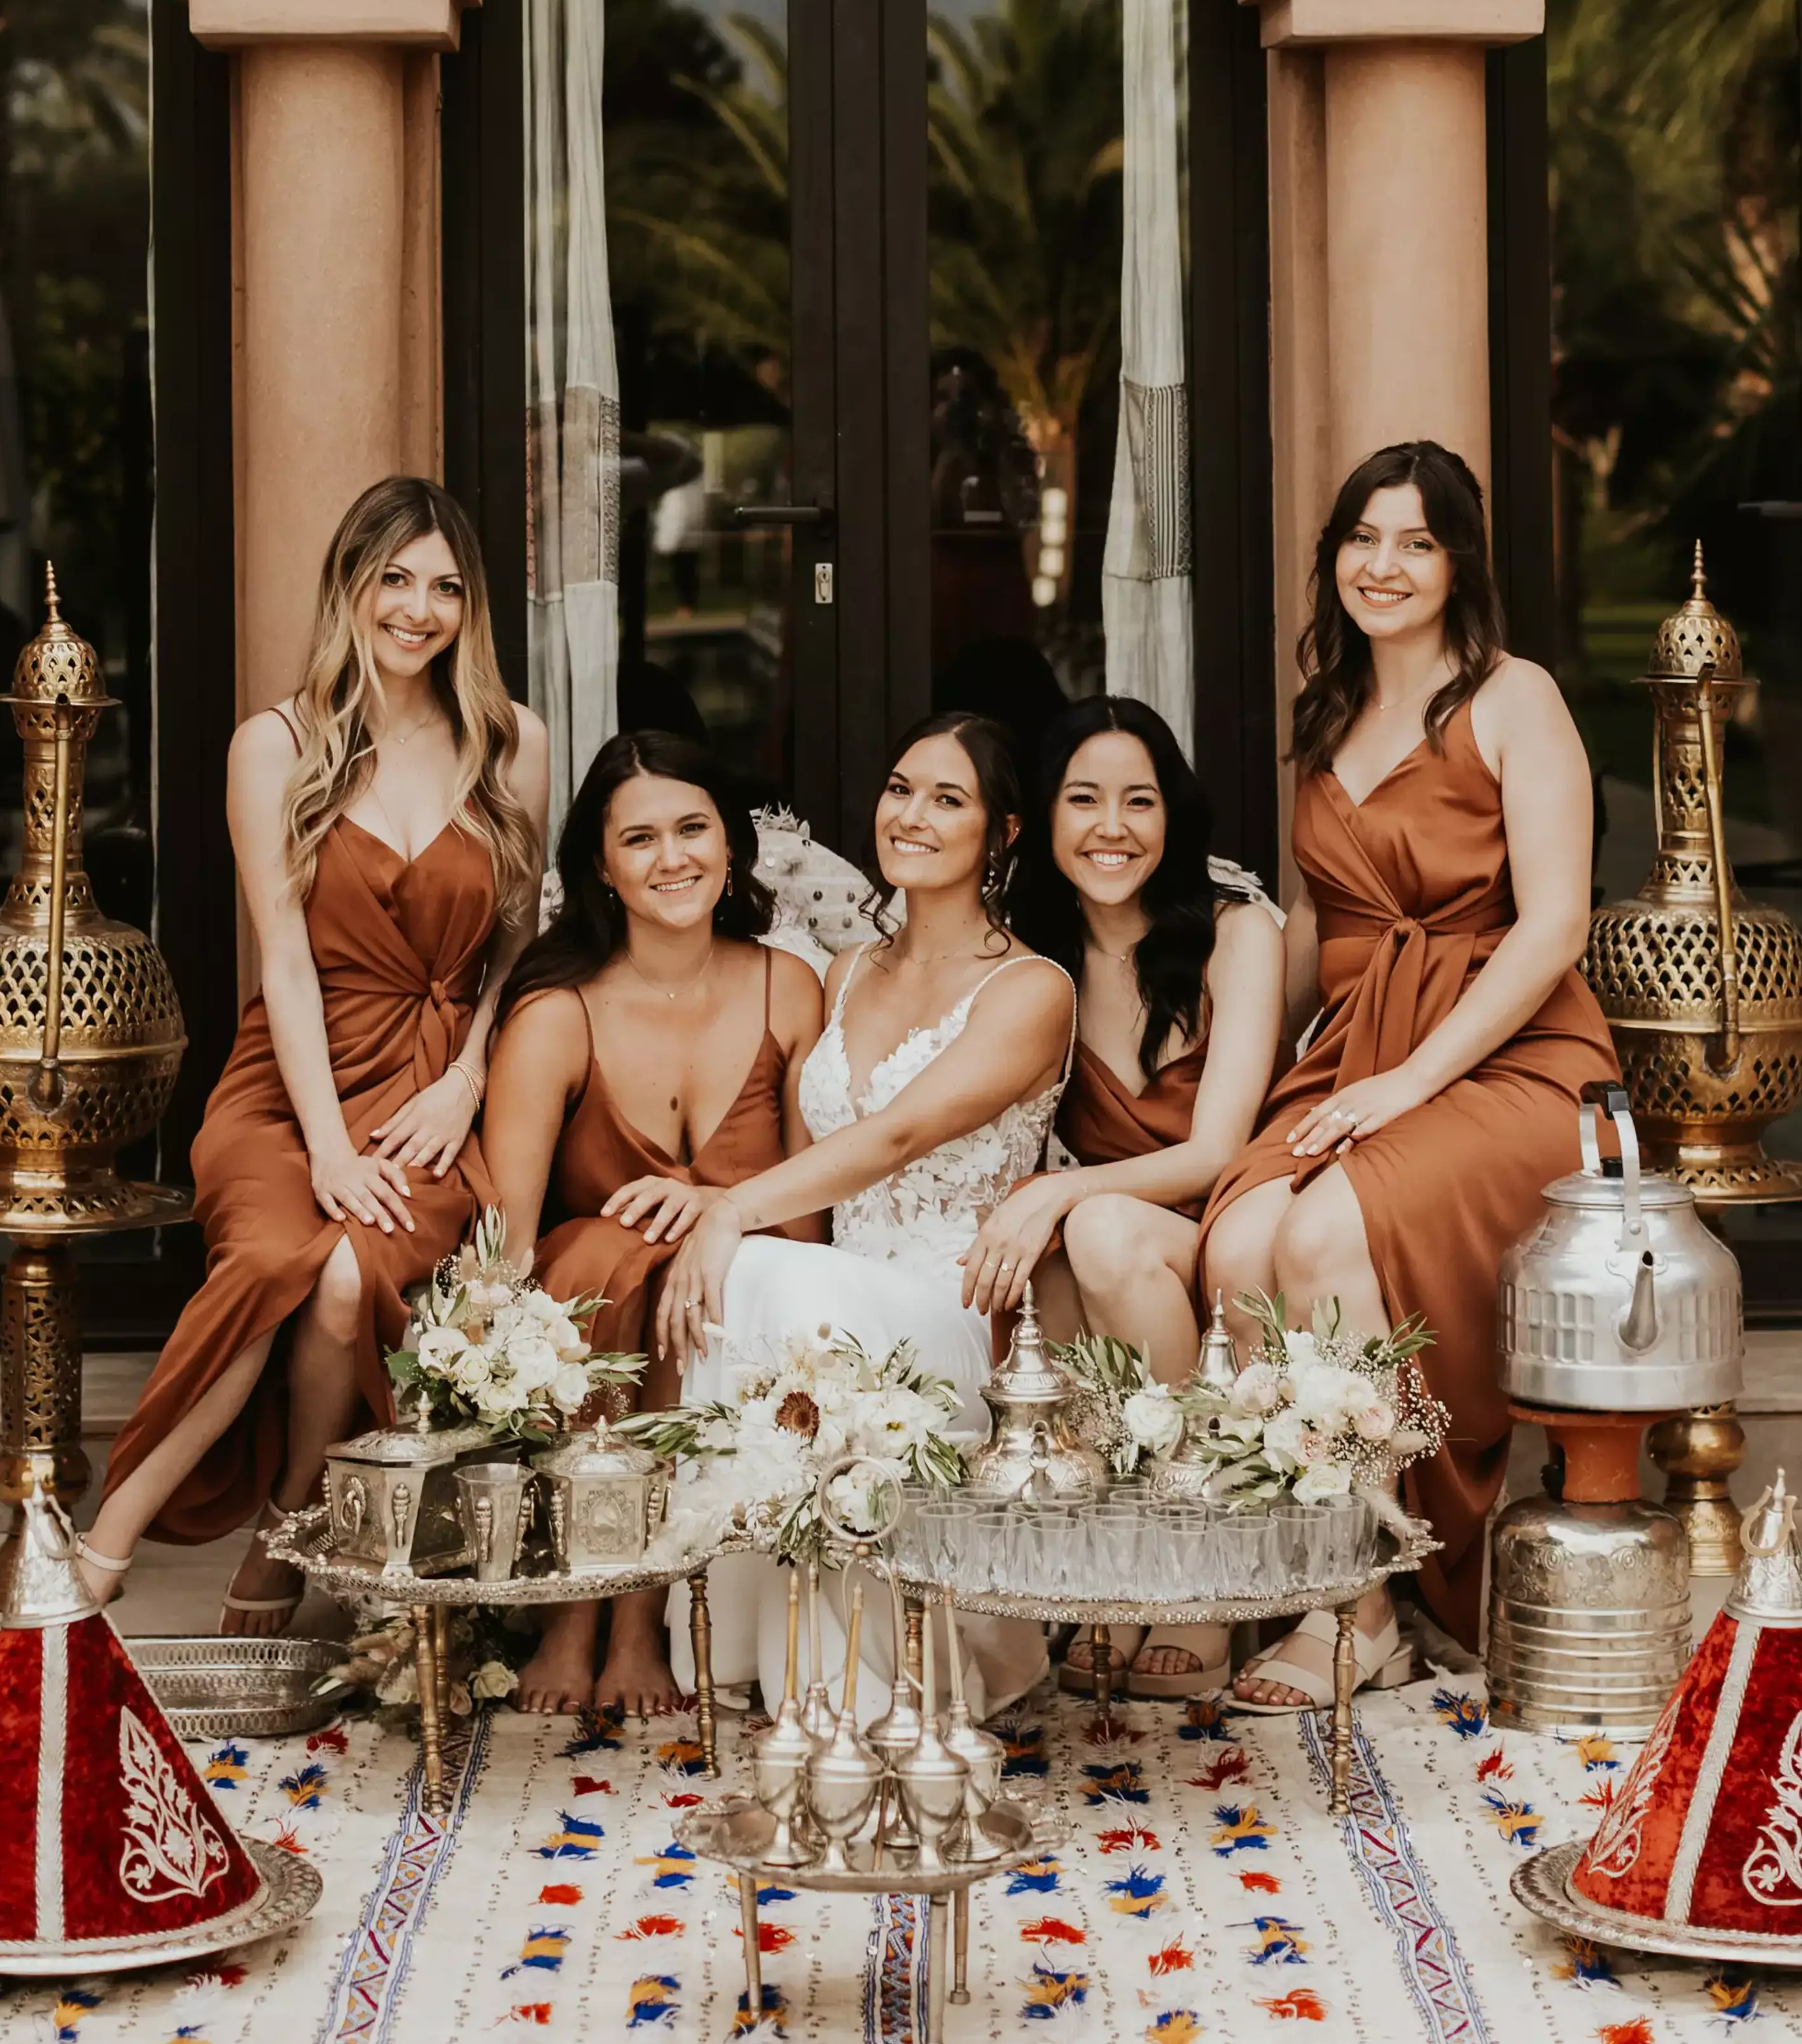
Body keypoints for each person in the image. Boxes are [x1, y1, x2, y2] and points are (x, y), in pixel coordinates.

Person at [81, 478, 548, 1631]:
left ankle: (286, 1530)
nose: (418, 607)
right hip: (293, 1086)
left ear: (470, 606)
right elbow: (282, 963)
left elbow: (516, 949)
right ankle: (100, 1554)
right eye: (395, 578)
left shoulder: (512, 740)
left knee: (347, 1278)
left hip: (436, 1092)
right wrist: (329, 1149)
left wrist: (468, 1078)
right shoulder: (275, 743)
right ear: (350, 585)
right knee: (274, 1257)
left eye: (445, 586)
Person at [1197, 439, 1611, 1705]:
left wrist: (1411, 1078)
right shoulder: (1326, 713)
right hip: (1363, 1049)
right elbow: (1324, 937)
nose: (1385, 564)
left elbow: (1553, 927)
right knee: (1237, 1240)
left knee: (1324, 1235)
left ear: (1457, 563)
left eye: (1417, 541)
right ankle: (1312, 1554)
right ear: (1333, 556)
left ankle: (1364, 1605)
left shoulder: (1512, 696)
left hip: (1514, 1053)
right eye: (1364, 538)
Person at [606, 711, 1076, 1715]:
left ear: (1002, 834)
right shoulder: (847, 970)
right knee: (751, 1272)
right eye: (900, 787)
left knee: (759, 1267)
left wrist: (731, 1208)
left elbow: (899, 1135)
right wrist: (710, 1202)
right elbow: (818, 1158)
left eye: (948, 799)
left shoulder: (1032, 987)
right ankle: (770, 1653)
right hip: (840, 1292)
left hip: (956, 1310)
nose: (910, 814)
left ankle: (865, 1685)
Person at [478, 730, 825, 1714]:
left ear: (730, 845)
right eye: (640, 838)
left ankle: (636, 1615)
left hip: (747, 1292)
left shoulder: (786, 986)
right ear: (600, 862)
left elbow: (810, 1207)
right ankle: (581, 1601)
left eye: (692, 829)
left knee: (705, 1264)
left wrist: (717, 1207)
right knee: (605, 1249)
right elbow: (505, 1234)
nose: (671, 858)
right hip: (594, 1317)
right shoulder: (557, 1010)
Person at [958, 695, 1287, 1697]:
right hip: (1112, 1247)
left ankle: (1200, 1576)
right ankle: (1111, 1572)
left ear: (1172, 815)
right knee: (1046, 1258)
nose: (1113, 827)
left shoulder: (1238, 931)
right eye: (1084, 799)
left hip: (1219, 1225)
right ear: (1041, 821)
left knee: (1088, 1225)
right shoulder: (1025, 952)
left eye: (1139, 800)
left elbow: (1215, 1148)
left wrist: (1058, 1188)